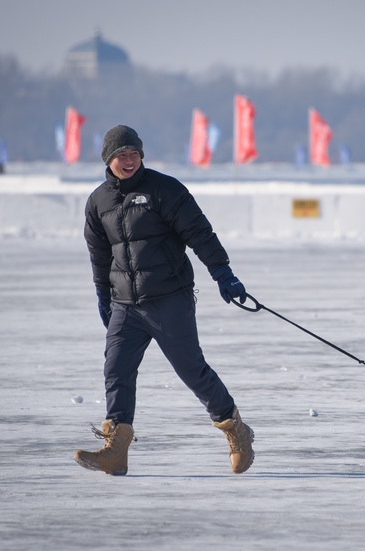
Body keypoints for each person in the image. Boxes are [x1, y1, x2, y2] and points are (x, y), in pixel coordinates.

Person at [74, 125, 254, 476]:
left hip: (169, 297)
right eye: (121, 155)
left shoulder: (164, 189)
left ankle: (235, 429)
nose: (128, 161)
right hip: (125, 304)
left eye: (134, 154)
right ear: (108, 159)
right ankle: (116, 450)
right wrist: (102, 292)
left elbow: (199, 233)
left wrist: (223, 272)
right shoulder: (98, 202)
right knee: (116, 370)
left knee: (192, 371)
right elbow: (99, 254)